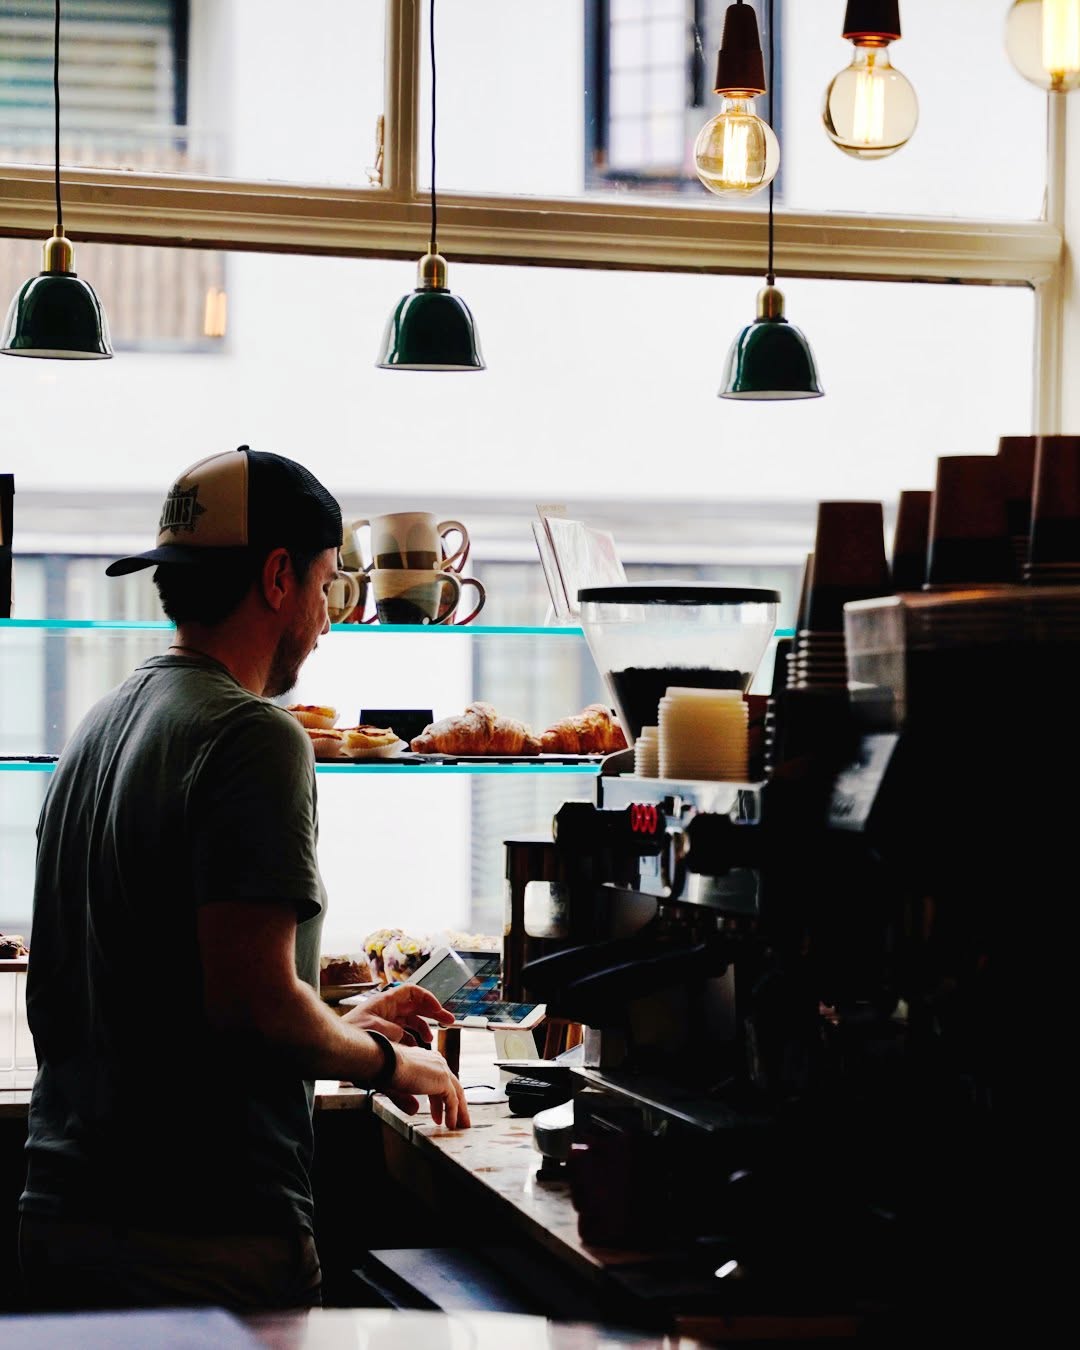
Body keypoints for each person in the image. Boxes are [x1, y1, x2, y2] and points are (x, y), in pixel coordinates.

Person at [18, 446, 470, 1313]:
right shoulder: (252, 735)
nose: (330, 618)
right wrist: (388, 1061)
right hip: (200, 1238)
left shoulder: (99, 724)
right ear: (277, 578)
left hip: (63, 1216)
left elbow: (167, 994)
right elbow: (255, 1011)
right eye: (331, 585)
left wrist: (331, 1018)